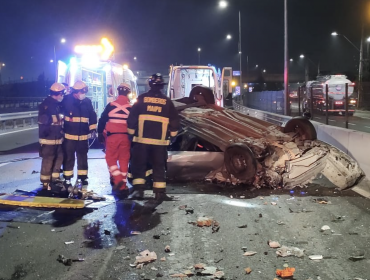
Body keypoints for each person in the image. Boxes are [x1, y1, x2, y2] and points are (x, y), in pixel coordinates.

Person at [127, 73, 180, 201]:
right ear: (162, 86)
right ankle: (159, 193)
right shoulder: (167, 102)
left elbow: (132, 118)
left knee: (139, 165)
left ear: (149, 84)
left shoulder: (141, 99)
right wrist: (173, 136)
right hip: (160, 142)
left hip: (141, 141)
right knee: (159, 166)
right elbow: (174, 121)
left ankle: (139, 191)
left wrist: (131, 134)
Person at [61, 81, 97, 191]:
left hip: (83, 137)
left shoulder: (87, 102)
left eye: (84, 92)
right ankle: (67, 178)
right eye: (81, 92)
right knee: (69, 158)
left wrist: (93, 128)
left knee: (83, 157)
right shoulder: (66, 100)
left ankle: (83, 177)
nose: (83, 94)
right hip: (69, 137)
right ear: (75, 92)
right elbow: (59, 115)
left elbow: (92, 115)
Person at [98, 82, 132, 196]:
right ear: (128, 93)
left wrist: (99, 133)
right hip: (125, 137)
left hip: (112, 137)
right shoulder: (131, 108)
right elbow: (134, 124)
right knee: (124, 160)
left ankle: (117, 179)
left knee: (110, 159)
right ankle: (123, 185)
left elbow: (102, 120)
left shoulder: (111, 105)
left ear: (118, 92)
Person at [38, 83, 65, 192]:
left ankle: (54, 180)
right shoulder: (46, 105)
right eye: (62, 93)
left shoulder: (56, 104)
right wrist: (59, 118)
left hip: (57, 138)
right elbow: (44, 120)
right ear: (58, 93)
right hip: (48, 139)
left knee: (59, 158)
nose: (62, 96)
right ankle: (45, 183)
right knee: (48, 160)